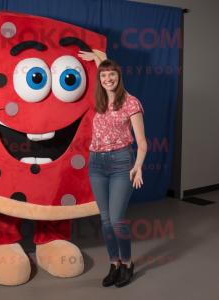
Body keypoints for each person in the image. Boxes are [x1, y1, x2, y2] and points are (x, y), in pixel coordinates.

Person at [78, 51, 147, 288]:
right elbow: (103, 71)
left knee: (117, 220)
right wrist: (99, 58)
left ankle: (127, 263)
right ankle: (114, 263)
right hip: (96, 162)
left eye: (113, 74)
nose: (108, 78)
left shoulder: (131, 102)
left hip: (121, 162)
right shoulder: (99, 99)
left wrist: (137, 167)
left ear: (119, 76)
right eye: (104, 75)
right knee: (105, 220)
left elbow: (142, 142)